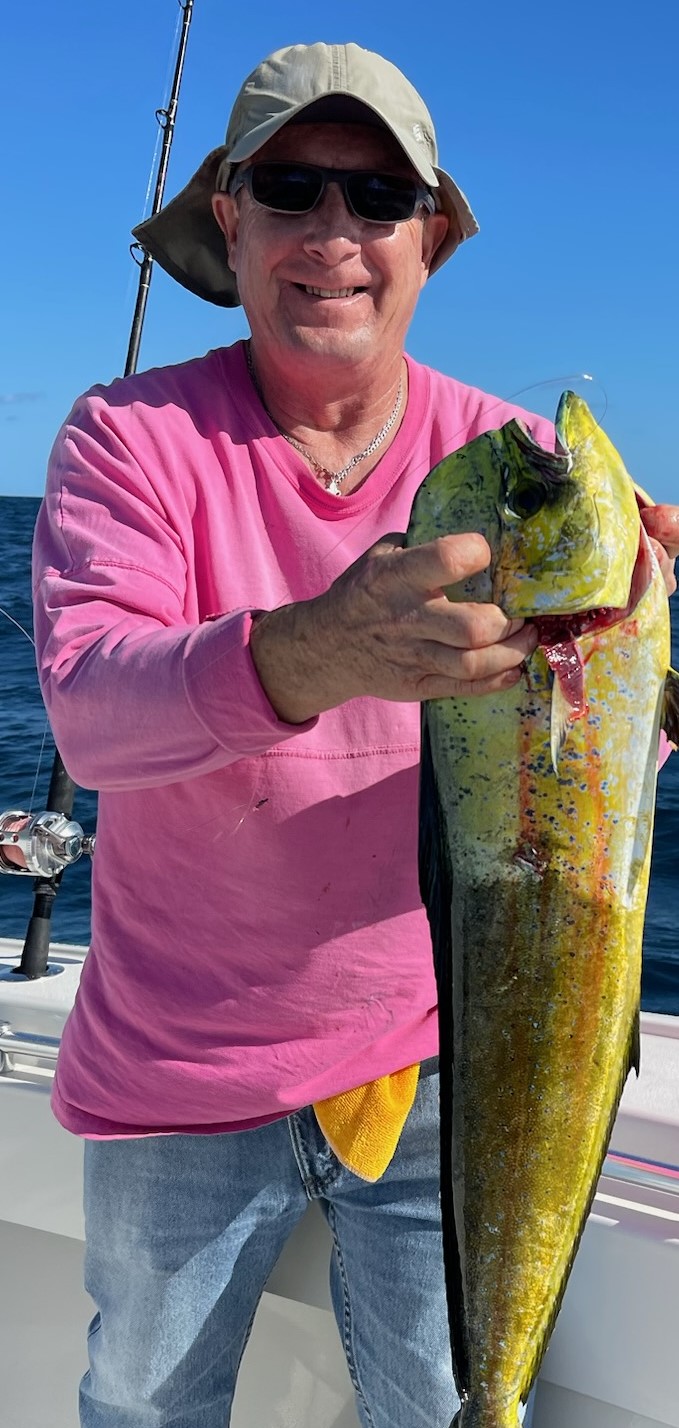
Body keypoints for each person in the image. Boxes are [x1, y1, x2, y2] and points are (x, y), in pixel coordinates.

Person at [30, 41, 678, 1428]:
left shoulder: (513, 463)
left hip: (444, 1056)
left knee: (455, 1403)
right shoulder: (126, 442)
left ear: (430, 236)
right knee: (140, 1400)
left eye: (377, 197)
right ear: (230, 218)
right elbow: (89, 711)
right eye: (292, 188)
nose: (335, 235)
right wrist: (317, 647)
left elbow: (592, 766)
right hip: (180, 1066)